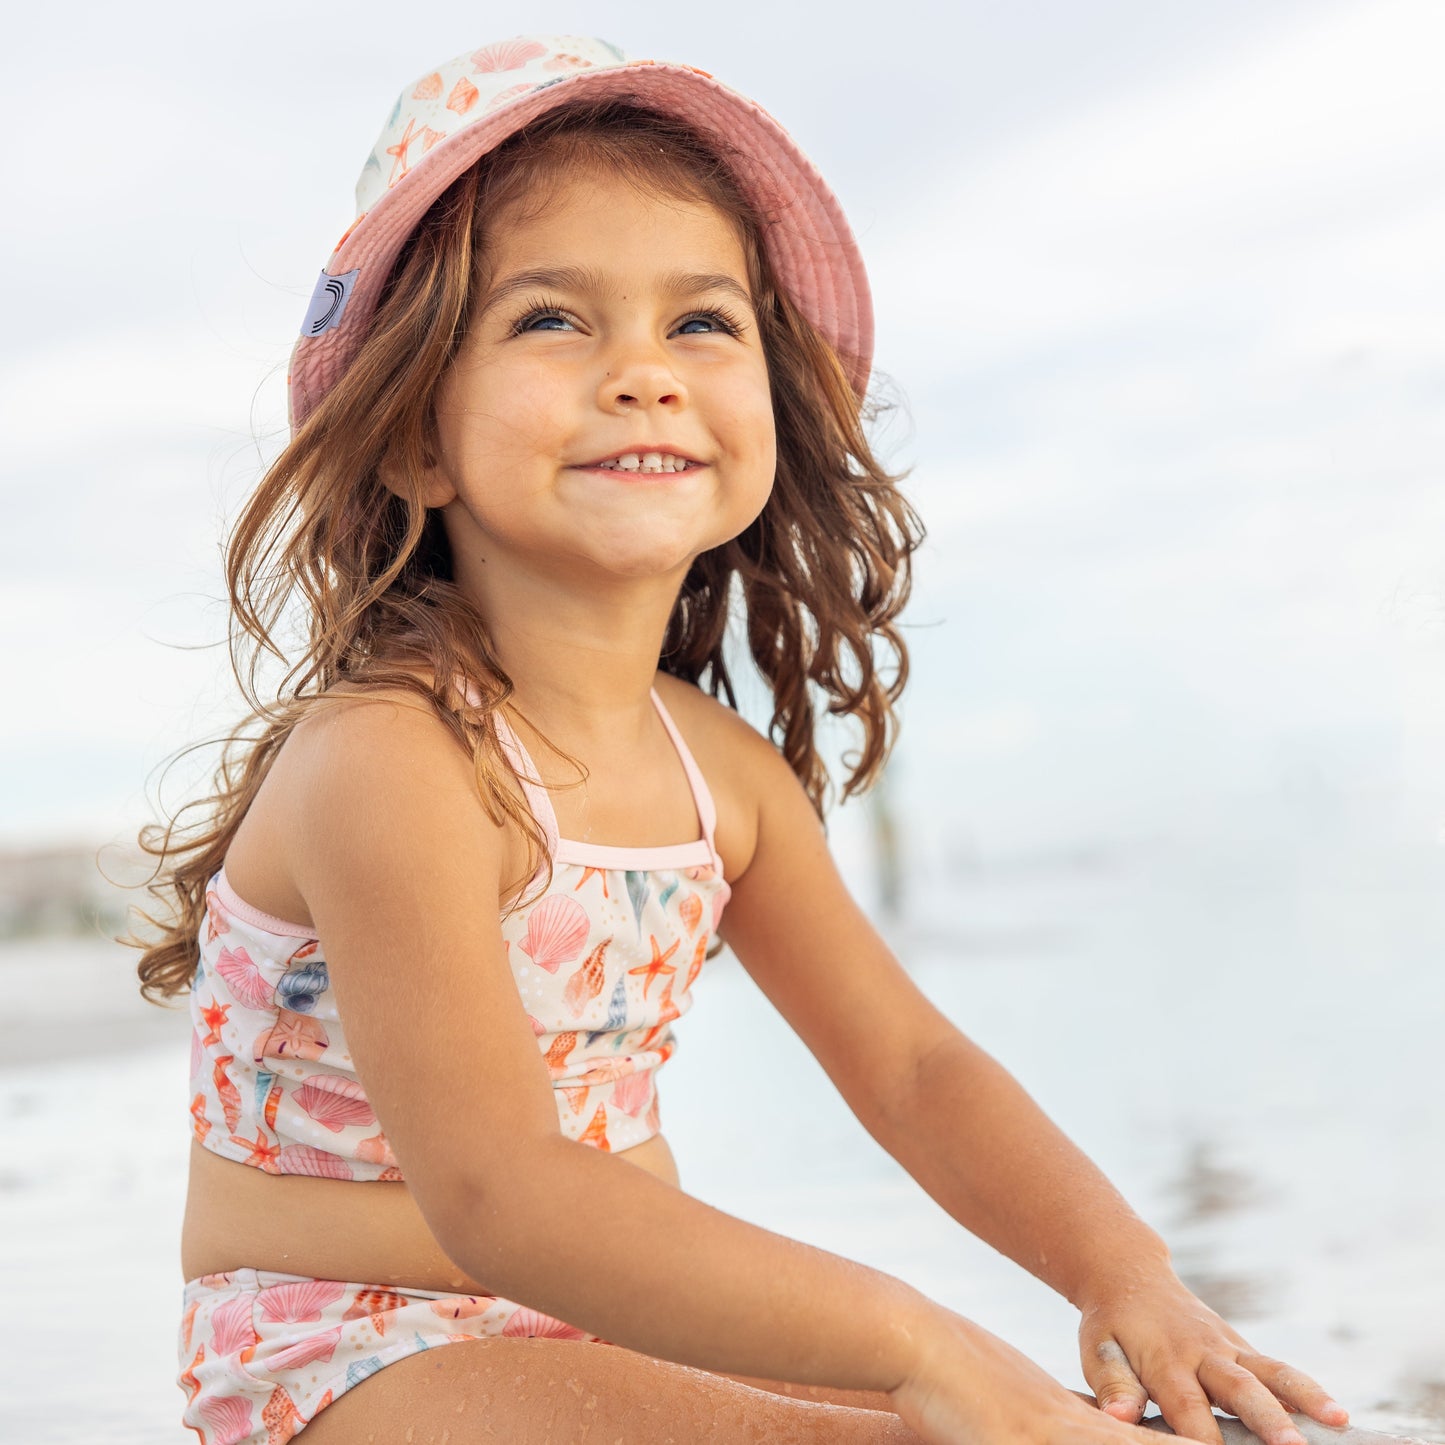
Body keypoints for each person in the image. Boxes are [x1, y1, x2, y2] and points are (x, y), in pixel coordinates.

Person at [132, 35, 1352, 1445]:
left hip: (617, 1318)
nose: (642, 372)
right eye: (551, 320)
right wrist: (914, 1340)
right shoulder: (390, 760)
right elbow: (503, 1194)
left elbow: (911, 1068)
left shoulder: (722, 773)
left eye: (698, 324)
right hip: (346, 1349)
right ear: (414, 439)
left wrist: (1126, 1275)